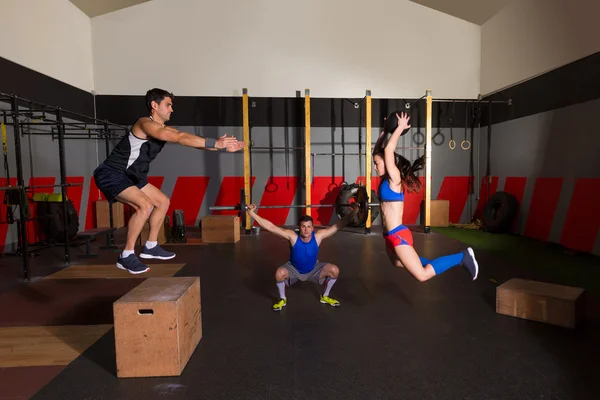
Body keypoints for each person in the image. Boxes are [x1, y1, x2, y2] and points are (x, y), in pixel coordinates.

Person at [93, 88, 245, 274]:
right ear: (154, 106)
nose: (171, 109)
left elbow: (188, 141)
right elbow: (179, 138)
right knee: (144, 205)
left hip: (133, 176)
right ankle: (126, 255)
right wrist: (215, 143)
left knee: (162, 202)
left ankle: (150, 246)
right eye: (168, 105)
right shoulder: (144, 123)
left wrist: (222, 148)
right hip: (112, 173)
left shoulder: (165, 129)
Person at [372, 111, 479, 282]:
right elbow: (378, 150)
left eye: (377, 164)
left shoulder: (394, 178)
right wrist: (385, 131)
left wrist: (398, 129)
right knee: (398, 263)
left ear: (387, 162)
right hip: (389, 235)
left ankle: (462, 257)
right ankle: (438, 264)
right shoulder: (385, 180)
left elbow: (389, 150)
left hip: (398, 234)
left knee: (422, 275)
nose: (375, 167)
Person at [246, 203, 358, 311]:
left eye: (309, 226)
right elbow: (272, 227)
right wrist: (252, 214)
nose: (306, 229)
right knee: (279, 274)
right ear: (299, 227)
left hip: (314, 268)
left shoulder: (318, 236)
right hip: (294, 269)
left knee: (334, 270)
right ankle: (282, 299)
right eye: (303, 226)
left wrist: (356, 211)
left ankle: (325, 296)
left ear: (313, 228)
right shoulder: (293, 237)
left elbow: (338, 225)